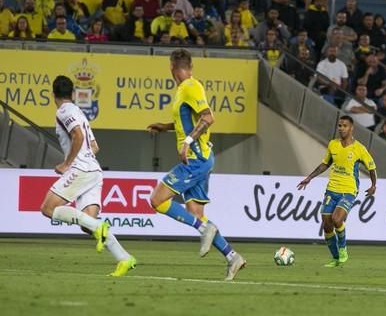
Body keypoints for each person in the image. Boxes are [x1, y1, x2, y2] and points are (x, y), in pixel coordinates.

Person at [146, 49, 246, 281]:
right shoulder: (184, 89)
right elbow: (188, 121)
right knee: (196, 213)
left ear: (172, 67)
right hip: (200, 157)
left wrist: (187, 143)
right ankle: (233, 257)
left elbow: (208, 117)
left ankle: (204, 230)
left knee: (156, 200)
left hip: (196, 158)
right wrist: (165, 126)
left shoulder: (190, 86)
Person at [40, 76, 136, 277]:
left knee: (47, 208)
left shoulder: (64, 110)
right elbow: (94, 146)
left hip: (81, 169)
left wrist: (67, 164)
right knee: (88, 224)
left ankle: (100, 227)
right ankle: (125, 258)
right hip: (93, 170)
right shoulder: (79, 112)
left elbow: (78, 136)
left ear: (53, 95)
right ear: (73, 93)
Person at [298, 116, 377, 267]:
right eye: (340, 125)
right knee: (327, 225)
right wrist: (310, 177)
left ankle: (343, 249)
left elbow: (371, 167)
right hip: (332, 190)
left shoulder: (359, 149)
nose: (341, 128)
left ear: (351, 128)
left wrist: (374, 185)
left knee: (337, 219)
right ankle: (336, 259)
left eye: (344, 126)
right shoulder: (333, 144)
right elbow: (325, 164)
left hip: (349, 190)